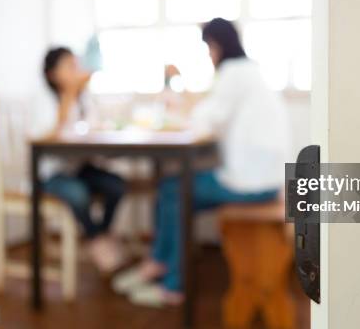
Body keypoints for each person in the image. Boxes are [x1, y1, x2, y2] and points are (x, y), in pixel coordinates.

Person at [112, 18, 291, 306]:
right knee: (171, 188)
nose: (208, 55)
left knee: (173, 190)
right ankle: (161, 264)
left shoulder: (234, 74)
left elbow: (205, 120)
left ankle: (171, 282)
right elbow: (208, 113)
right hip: (263, 178)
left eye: (208, 48)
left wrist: (180, 93)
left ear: (217, 45)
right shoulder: (247, 73)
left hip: (253, 184)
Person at [32, 47, 126, 273]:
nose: (76, 70)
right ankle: (96, 239)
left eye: (77, 64)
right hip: (52, 173)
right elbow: (47, 138)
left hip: (79, 167)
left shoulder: (83, 98)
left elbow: (93, 127)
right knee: (78, 193)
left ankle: (100, 234)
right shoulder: (44, 100)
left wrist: (81, 94)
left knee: (116, 185)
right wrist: (69, 94)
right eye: (69, 66)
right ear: (52, 74)